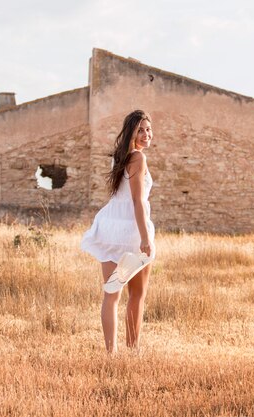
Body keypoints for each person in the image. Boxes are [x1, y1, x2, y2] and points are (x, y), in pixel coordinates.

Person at [80, 110, 155, 353]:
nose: (146, 134)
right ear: (131, 132)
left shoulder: (119, 157)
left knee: (111, 293)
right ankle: (132, 351)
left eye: (148, 129)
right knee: (136, 294)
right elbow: (137, 202)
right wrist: (144, 238)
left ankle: (110, 354)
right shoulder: (138, 159)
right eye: (141, 130)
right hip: (130, 233)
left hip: (110, 228)